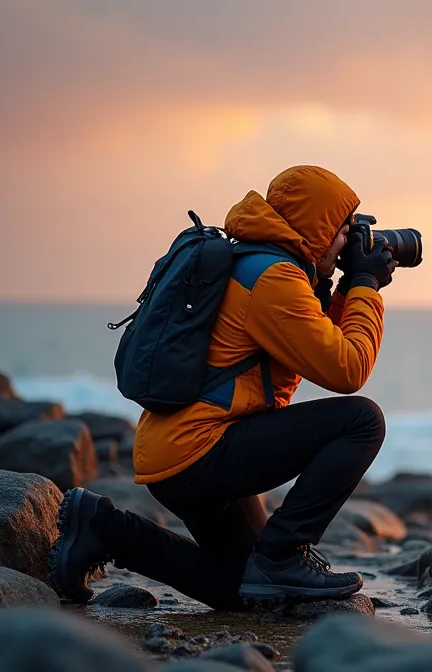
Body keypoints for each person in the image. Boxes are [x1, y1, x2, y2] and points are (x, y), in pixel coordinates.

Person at [48, 166, 397, 610]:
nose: (350, 242)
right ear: (318, 229)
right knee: (362, 421)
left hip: (178, 453)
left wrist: (349, 285)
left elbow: (314, 346)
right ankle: (283, 554)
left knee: (241, 589)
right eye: (344, 231)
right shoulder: (273, 279)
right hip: (202, 450)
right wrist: (367, 284)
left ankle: (102, 526)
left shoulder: (255, 264)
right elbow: (348, 369)